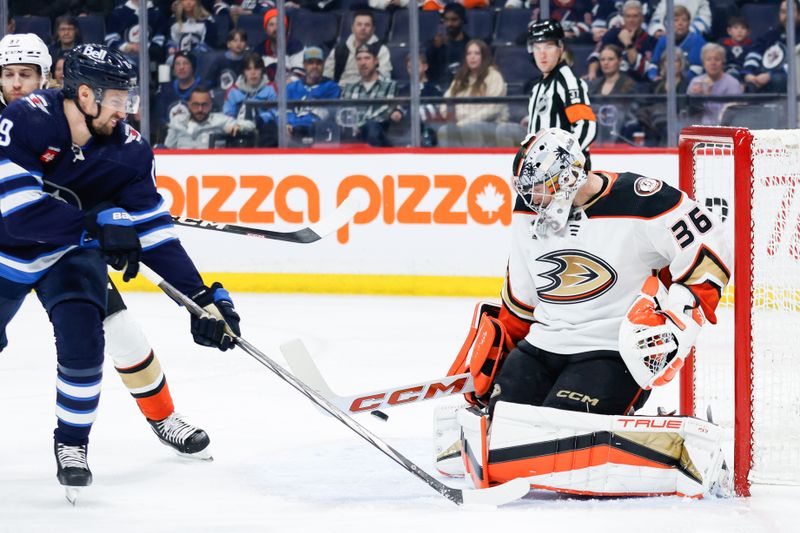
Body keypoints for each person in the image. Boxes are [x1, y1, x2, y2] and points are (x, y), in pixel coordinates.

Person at [0, 43, 241, 499]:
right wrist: (99, 220)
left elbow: (154, 231)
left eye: (27, 74)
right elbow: (17, 214)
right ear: (84, 94)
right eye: (9, 74)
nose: (18, 83)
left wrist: (201, 299)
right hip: (8, 246)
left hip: (68, 251)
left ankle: (77, 443)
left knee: (98, 337)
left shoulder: (127, 149)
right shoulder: (24, 120)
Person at [438, 127, 732, 498]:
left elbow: (711, 243)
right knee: (501, 434)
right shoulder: (528, 207)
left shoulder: (641, 201)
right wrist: (500, 347)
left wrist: (681, 316)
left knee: (563, 446)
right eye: (527, 189)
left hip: (611, 350)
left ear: (569, 175)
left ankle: (683, 446)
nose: (532, 198)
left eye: (542, 188)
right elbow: (521, 296)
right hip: (544, 344)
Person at [498, 20, 596, 166]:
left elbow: (587, 126)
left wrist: (558, 162)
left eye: (549, 46)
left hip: (566, 176)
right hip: (542, 172)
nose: (542, 54)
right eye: (536, 47)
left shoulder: (567, 81)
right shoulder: (538, 86)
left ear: (560, 48)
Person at [438, 39, 508, 148]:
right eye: (469, 53)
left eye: (477, 53)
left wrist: (466, 119)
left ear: (484, 56)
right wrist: (459, 119)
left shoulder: (494, 76)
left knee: (470, 128)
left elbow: (493, 109)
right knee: (445, 130)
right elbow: (444, 105)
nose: (472, 57)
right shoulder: (460, 78)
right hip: (460, 124)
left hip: (491, 124)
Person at [340, 43, 397, 147]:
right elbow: (342, 113)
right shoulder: (349, 88)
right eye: (359, 59)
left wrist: (359, 124)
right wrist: (353, 126)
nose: (363, 63)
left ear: (376, 61)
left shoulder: (390, 85)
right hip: (353, 137)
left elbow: (386, 111)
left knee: (372, 126)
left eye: (367, 58)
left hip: (380, 138)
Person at [585, 1, 656, 83]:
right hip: (609, 82)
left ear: (642, 18)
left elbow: (642, 70)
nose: (631, 20)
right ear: (623, 18)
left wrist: (628, 43)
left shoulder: (650, 40)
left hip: (636, 84)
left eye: (635, 16)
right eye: (628, 16)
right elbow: (596, 55)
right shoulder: (612, 34)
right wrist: (592, 72)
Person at [286, 46, 341, 144]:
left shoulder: (332, 88)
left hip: (317, 133)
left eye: (318, 63)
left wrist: (295, 124)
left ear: (323, 65)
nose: (315, 66)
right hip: (292, 132)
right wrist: (287, 123)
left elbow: (326, 114)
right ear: (304, 65)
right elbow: (284, 111)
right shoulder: (291, 88)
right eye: (310, 62)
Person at [167, 87, 255, 148]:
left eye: (204, 105)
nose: (200, 109)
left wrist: (239, 127)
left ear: (210, 105)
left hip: (212, 169)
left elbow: (251, 125)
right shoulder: (177, 121)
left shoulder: (220, 120)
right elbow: (167, 148)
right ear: (189, 105)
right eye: (196, 104)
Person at [742, 0, 800, 94]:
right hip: (763, 76)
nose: (787, 16)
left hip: (789, 79)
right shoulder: (771, 35)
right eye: (783, 12)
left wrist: (770, 75)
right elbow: (754, 54)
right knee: (748, 84)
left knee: (778, 80)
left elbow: (797, 64)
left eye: (791, 11)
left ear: (799, 14)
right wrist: (748, 73)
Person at [388, 51, 444, 147]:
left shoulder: (434, 89)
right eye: (410, 67)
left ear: (425, 67)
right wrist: (396, 113)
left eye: (416, 66)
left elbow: (438, 111)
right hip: (406, 130)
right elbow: (398, 108)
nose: (413, 70)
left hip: (428, 131)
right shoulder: (404, 90)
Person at [323, 10, 392, 87]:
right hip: (340, 92)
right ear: (352, 28)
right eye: (359, 24)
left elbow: (385, 77)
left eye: (367, 25)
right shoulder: (338, 50)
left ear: (373, 30)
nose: (363, 28)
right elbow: (326, 77)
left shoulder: (381, 50)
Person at [223, 53, 278, 147]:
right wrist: (236, 125)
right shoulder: (233, 91)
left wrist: (256, 121)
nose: (253, 73)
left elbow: (276, 113)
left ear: (262, 71)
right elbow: (227, 115)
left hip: (264, 131)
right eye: (248, 69)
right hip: (238, 130)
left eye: (256, 68)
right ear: (243, 72)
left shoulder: (271, 88)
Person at [645, 5, 705, 82]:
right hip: (665, 82)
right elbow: (653, 64)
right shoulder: (663, 40)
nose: (680, 23)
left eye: (684, 20)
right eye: (676, 20)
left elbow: (697, 69)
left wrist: (679, 82)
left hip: (690, 84)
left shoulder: (697, 40)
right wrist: (653, 77)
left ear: (689, 23)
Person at [687, 43, 743, 125]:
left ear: (723, 62)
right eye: (708, 59)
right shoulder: (696, 82)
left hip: (726, 129)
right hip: (699, 130)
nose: (713, 63)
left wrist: (709, 96)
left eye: (717, 59)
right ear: (703, 63)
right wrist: (696, 98)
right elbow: (689, 113)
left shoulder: (732, 83)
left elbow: (734, 113)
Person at [105, 0, 169, 64]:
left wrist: (144, 48)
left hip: (149, 58)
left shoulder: (157, 13)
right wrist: (127, 46)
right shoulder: (117, 13)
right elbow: (110, 39)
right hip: (123, 57)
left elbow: (159, 40)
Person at [425, 3, 470, 88]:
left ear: (463, 20)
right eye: (446, 20)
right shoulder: (435, 44)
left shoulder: (470, 44)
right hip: (439, 91)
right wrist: (434, 48)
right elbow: (426, 69)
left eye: (454, 20)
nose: (449, 24)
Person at [155, 51, 204, 129]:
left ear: (193, 67)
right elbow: (159, 117)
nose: (181, 67)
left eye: (186, 63)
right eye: (177, 64)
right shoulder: (166, 89)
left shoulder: (203, 89)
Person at [718, 16, 753, 83]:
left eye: (743, 28)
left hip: (744, 73)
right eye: (736, 28)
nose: (739, 31)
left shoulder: (752, 46)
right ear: (729, 31)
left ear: (748, 32)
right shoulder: (721, 45)